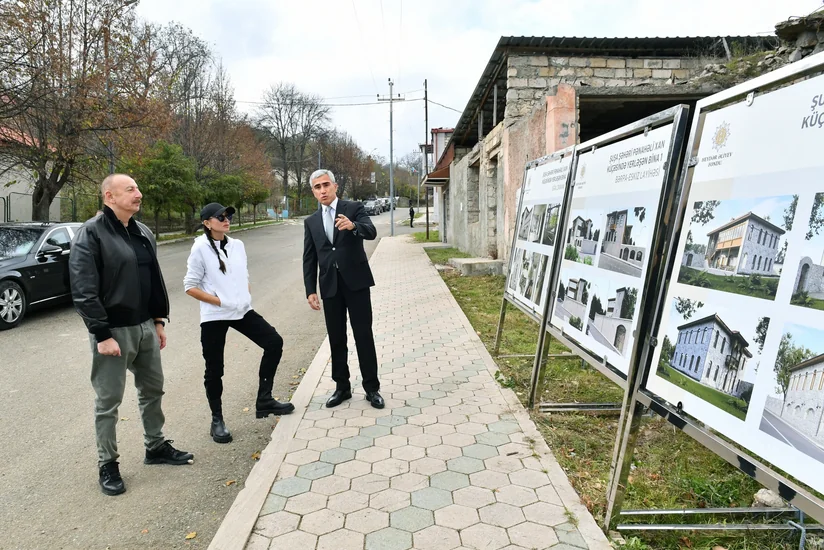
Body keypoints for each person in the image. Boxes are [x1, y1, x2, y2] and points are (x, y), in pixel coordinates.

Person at [69, 174, 193, 497]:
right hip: (113, 332)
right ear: (109, 197)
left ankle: (155, 446)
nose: (139, 193)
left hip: (146, 328)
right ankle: (107, 464)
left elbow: (153, 279)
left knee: (153, 389)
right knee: (108, 401)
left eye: (138, 187)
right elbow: (84, 290)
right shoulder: (91, 233)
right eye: (131, 189)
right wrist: (101, 333)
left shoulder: (143, 232)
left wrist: (158, 320)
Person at [184, 203, 294, 444]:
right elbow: (190, 287)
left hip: (242, 311)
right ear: (206, 222)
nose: (226, 220)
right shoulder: (200, 248)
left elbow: (243, 275)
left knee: (274, 342)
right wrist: (220, 301)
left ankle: (264, 399)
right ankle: (217, 420)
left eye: (228, 216)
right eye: (220, 217)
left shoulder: (237, 246)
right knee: (215, 369)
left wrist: (244, 295)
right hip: (215, 315)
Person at [303, 169, 384, 409]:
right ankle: (342, 388)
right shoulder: (311, 222)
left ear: (335, 186)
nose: (323, 190)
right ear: (313, 192)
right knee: (337, 339)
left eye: (326, 185)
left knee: (363, 336)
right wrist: (310, 289)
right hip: (330, 286)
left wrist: (353, 226)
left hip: (356, 283)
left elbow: (371, 232)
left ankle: (372, 388)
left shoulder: (353, 208)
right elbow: (309, 258)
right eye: (317, 187)